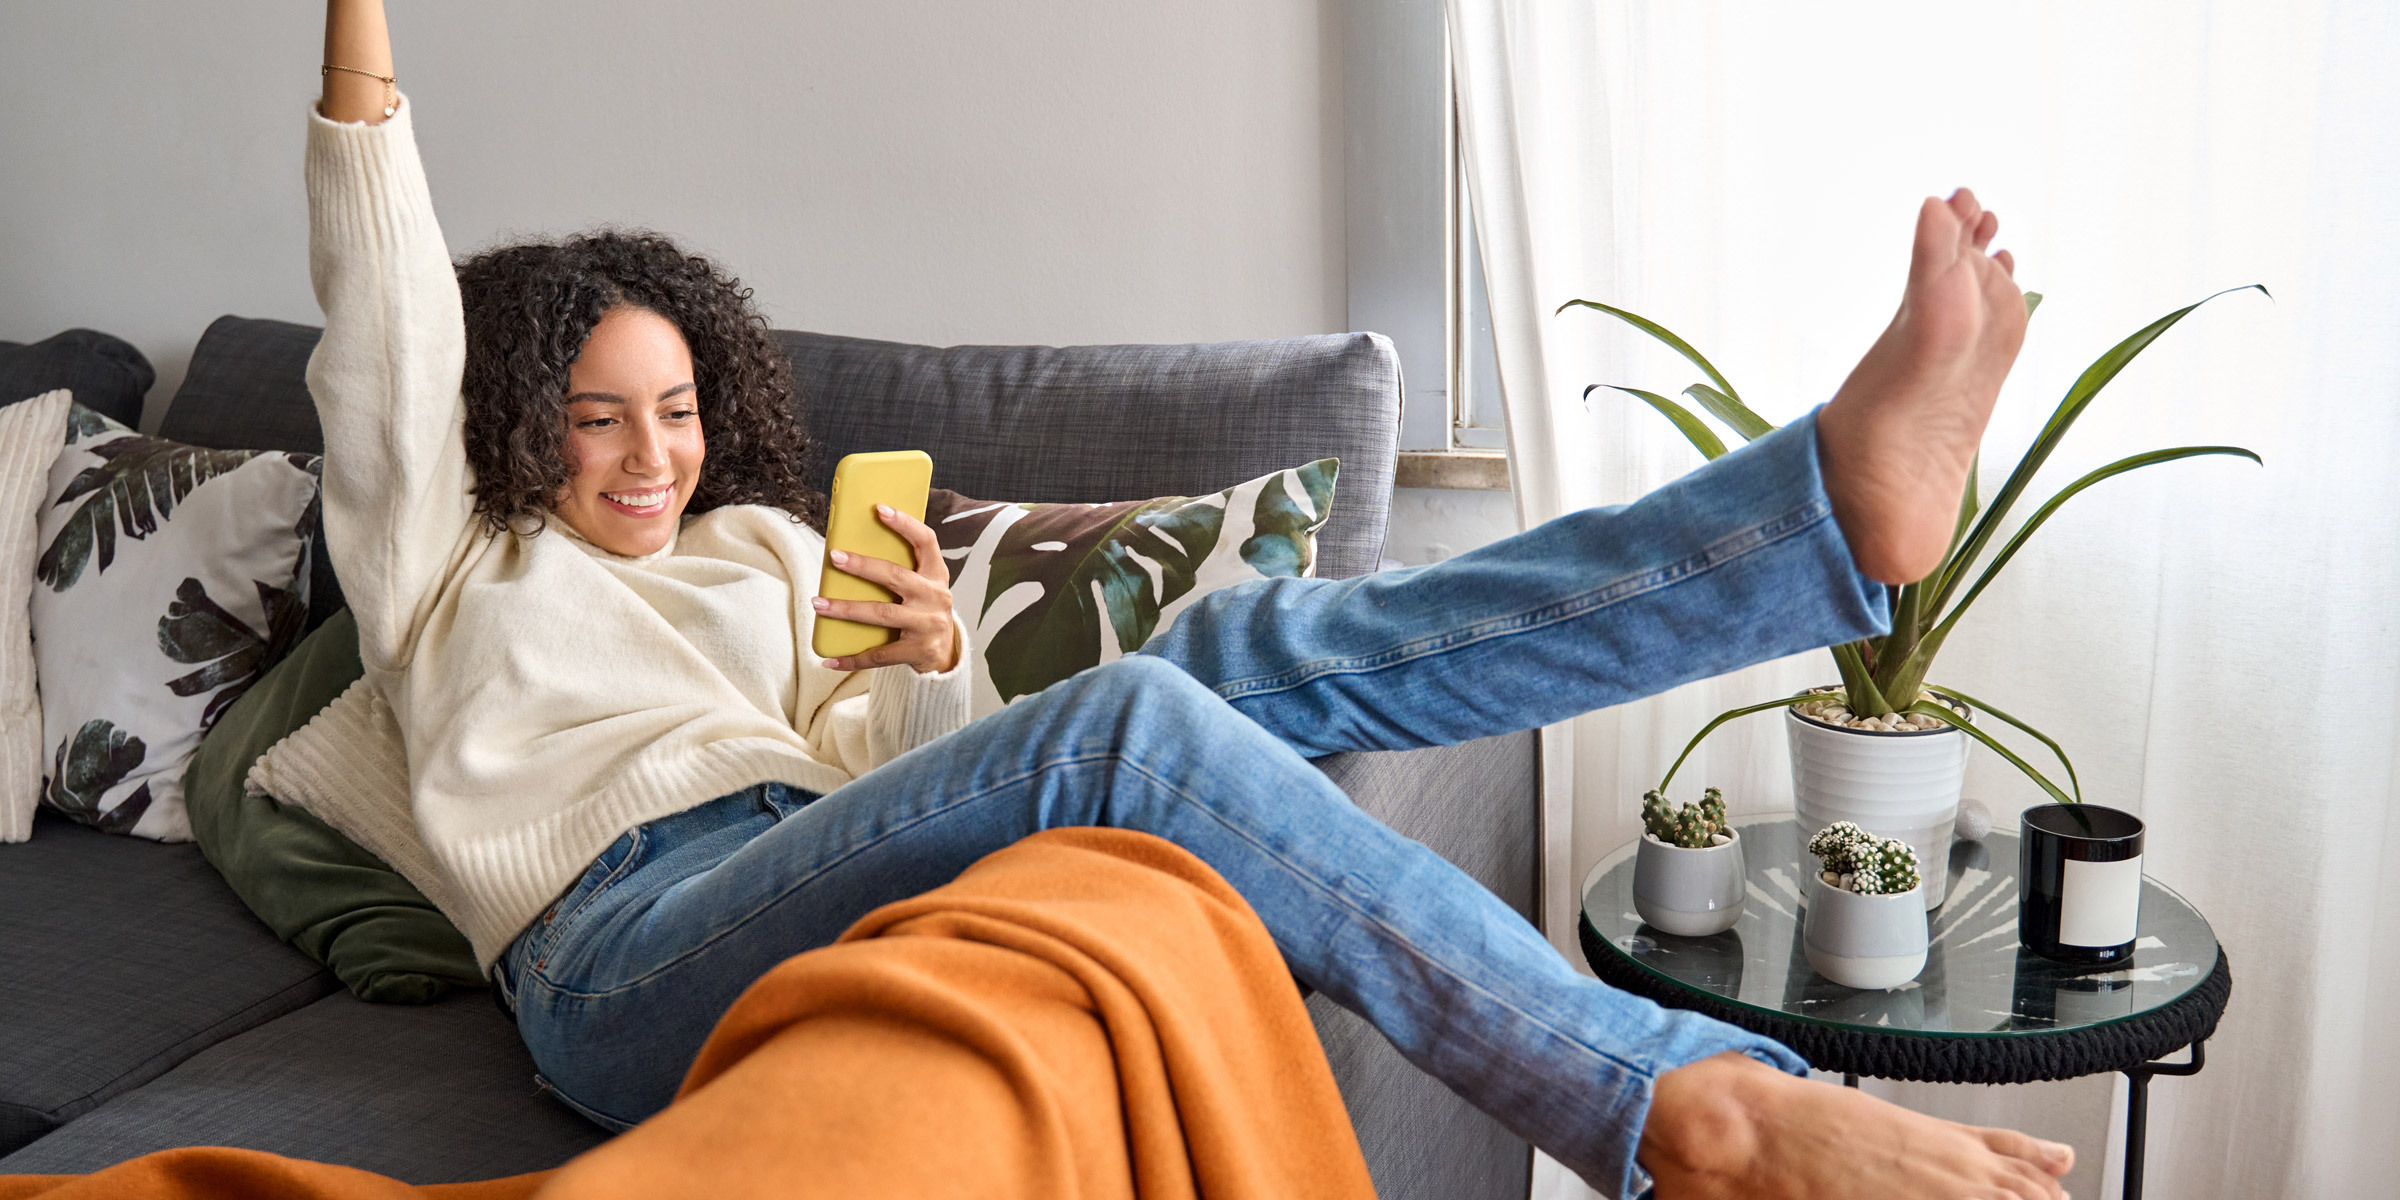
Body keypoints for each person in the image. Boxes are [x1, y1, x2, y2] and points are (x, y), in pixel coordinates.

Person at [308, 2, 2073, 1197]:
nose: (651, 455)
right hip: (619, 961)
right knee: (1130, 723)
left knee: (1231, 651)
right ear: (514, 422)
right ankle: (1672, 1103)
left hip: (799, 871)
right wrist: (362, 55)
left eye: (680, 409)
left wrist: (927, 663)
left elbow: (882, 790)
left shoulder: (767, 556)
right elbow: (382, 321)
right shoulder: (447, 563)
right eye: (597, 418)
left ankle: (1808, 524)